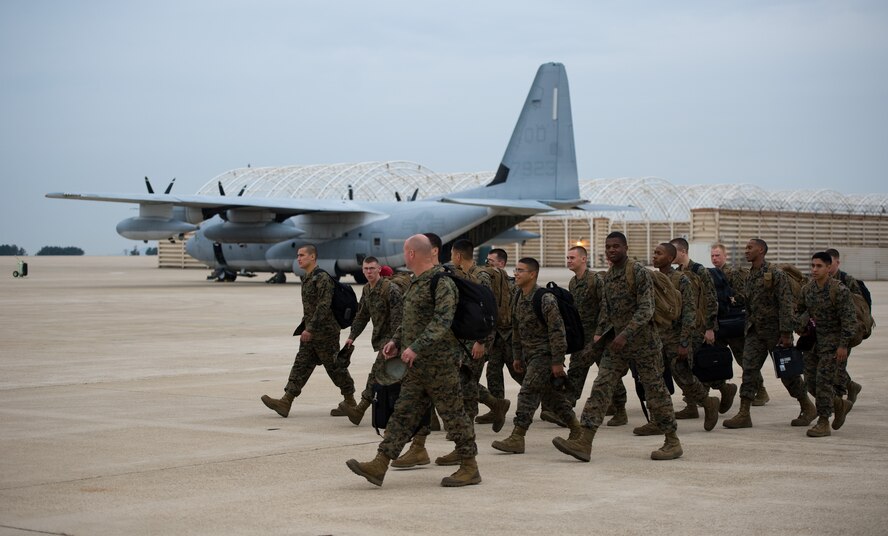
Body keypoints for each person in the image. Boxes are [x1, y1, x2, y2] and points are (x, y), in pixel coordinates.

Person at [346, 234, 480, 488]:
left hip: (440, 365)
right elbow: (410, 321)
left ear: (410, 254)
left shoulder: (442, 282)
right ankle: (380, 463)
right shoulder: (415, 282)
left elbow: (443, 320)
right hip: (417, 367)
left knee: (453, 416)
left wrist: (416, 347)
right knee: (403, 413)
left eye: (404, 252)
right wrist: (396, 341)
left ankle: (470, 466)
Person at [553, 232, 682, 462]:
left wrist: (625, 334)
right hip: (617, 345)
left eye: (616, 246)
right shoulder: (610, 275)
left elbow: (646, 309)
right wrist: (598, 335)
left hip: (644, 343)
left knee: (655, 391)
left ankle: (672, 440)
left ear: (625, 248)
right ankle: (585, 441)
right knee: (601, 385)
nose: (611, 250)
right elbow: (607, 309)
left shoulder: (638, 272)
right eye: (608, 247)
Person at [491, 257, 580, 454]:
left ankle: (517, 436)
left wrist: (557, 361)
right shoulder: (518, 296)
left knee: (527, 392)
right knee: (551, 396)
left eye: (521, 270)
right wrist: (516, 356)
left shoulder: (545, 298)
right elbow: (516, 329)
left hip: (544, 355)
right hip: (529, 356)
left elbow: (557, 332)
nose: (517, 274)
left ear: (532, 274)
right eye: (516, 270)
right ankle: (576, 428)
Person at [723, 239, 815, 429]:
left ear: (761, 250)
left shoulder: (776, 274)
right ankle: (744, 413)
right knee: (749, 371)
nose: (746, 251)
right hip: (755, 332)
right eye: (746, 247)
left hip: (776, 333)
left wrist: (786, 333)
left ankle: (807, 406)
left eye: (750, 248)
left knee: (787, 373)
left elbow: (786, 304)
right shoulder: (750, 275)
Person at [261, 244, 356, 418]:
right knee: (301, 365)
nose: (299, 258)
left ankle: (350, 401)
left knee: (335, 368)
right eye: (298, 255)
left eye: (302, 255)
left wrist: (310, 328)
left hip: (326, 333)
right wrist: (306, 328)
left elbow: (323, 306)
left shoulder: (322, 278)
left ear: (312, 257)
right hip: (311, 333)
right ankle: (286, 401)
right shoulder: (307, 278)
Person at [634, 243, 720, 435]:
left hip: (674, 338)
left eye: (659, 253)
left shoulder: (681, 280)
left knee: (684, 377)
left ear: (671, 258)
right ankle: (657, 420)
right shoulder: (650, 279)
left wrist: (684, 342)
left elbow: (689, 313)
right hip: (654, 338)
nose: (654, 256)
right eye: (654, 252)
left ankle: (708, 402)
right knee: (653, 379)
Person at [668, 238, 733, 417]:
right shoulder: (676, 273)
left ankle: (721, 388)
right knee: (688, 366)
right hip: (685, 327)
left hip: (700, 326)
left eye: (674, 252)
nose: (671, 256)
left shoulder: (699, 271)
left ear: (683, 252)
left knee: (692, 366)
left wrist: (710, 328)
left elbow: (712, 299)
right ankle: (696, 403)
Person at [564, 245, 627, 426]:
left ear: (583, 259)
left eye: (572, 258)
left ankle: (620, 410)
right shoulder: (573, 282)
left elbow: (607, 307)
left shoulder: (596, 280)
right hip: (582, 337)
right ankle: (566, 408)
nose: (569, 261)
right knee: (576, 370)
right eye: (567, 258)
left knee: (608, 374)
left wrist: (600, 332)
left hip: (600, 337)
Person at [795, 252, 857, 437]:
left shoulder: (839, 290)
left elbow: (849, 320)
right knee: (811, 383)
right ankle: (839, 404)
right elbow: (800, 310)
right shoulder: (807, 289)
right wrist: (802, 324)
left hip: (833, 343)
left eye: (819, 266)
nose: (814, 269)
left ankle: (823, 421)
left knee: (823, 382)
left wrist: (843, 345)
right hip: (813, 342)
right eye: (813, 265)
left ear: (829, 268)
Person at [339, 257, 404, 426]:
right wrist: (352, 336)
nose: (369, 272)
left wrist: (395, 343)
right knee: (415, 380)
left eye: (372, 268)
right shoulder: (367, 289)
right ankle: (430, 419)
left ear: (379, 269)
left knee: (376, 374)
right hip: (383, 340)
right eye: (366, 268)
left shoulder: (391, 290)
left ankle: (359, 410)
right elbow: (362, 316)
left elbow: (400, 320)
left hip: (394, 340)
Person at [477, 248, 522, 429]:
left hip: (510, 336)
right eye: (486, 261)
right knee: (493, 372)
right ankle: (497, 408)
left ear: (501, 264)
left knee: (520, 373)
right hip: (495, 336)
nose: (487, 264)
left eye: (491, 261)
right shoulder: (489, 282)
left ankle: (552, 403)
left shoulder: (512, 284)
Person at [710, 244, 755, 409]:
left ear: (725, 256)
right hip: (720, 323)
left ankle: (760, 389)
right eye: (713, 256)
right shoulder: (712, 274)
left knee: (743, 359)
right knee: (716, 357)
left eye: (717, 255)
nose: (715, 258)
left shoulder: (732, 273)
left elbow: (742, 295)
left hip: (733, 322)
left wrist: (728, 300)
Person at [825, 248, 864, 408]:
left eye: (830, 263)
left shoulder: (847, 280)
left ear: (837, 262)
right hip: (824, 332)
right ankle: (851, 386)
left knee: (838, 367)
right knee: (827, 365)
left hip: (844, 332)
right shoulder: (818, 279)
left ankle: (839, 402)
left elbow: (858, 307)